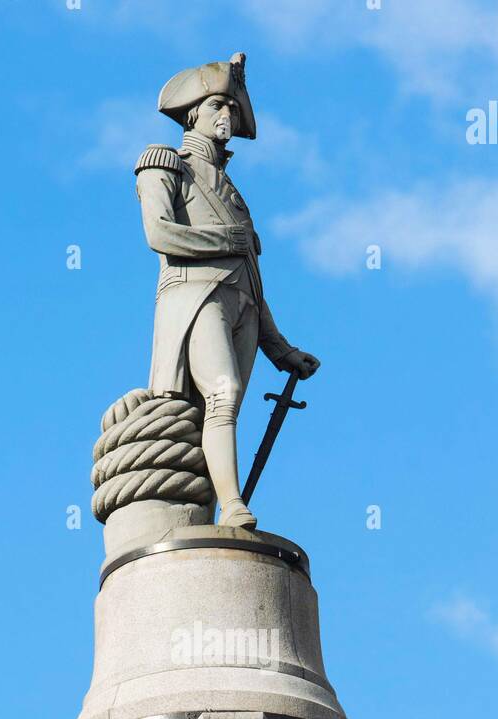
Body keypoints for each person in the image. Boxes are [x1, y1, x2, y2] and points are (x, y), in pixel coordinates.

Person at [135, 53, 319, 530]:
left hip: (243, 309)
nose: (227, 117)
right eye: (219, 105)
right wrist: (224, 240)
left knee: (220, 409)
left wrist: (281, 349)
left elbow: (253, 281)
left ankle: (212, 515)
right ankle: (233, 504)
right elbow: (159, 234)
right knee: (223, 392)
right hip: (195, 299)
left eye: (232, 109)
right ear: (193, 111)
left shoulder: (235, 192)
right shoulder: (165, 164)